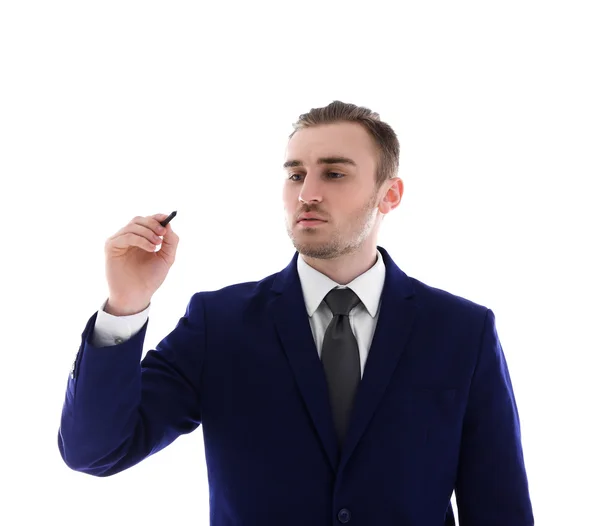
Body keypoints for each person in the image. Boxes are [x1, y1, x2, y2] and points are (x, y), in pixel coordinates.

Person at [58, 100, 534, 525]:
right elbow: (96, 451)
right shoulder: (218, 324)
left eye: (334, 173)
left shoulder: (461, 331)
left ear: (389, 194)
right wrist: (125, 305)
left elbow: (499, 509)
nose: (307, 193)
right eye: (294, 174)